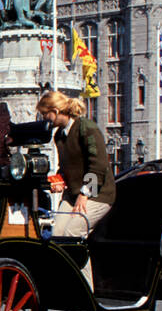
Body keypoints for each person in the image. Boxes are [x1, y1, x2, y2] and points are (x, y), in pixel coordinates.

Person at [38, 89, 116, 290]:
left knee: (73, 233)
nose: (44, 119)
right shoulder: (59, 136)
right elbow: (65, 167)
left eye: (45, 114)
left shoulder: (86, 127)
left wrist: (84, 194)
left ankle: (85, 287)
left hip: (99, 195)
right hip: (73, 194)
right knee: (57, 235)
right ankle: (66, 281)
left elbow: (97, 164)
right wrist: (58, 179)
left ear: (55, 111)